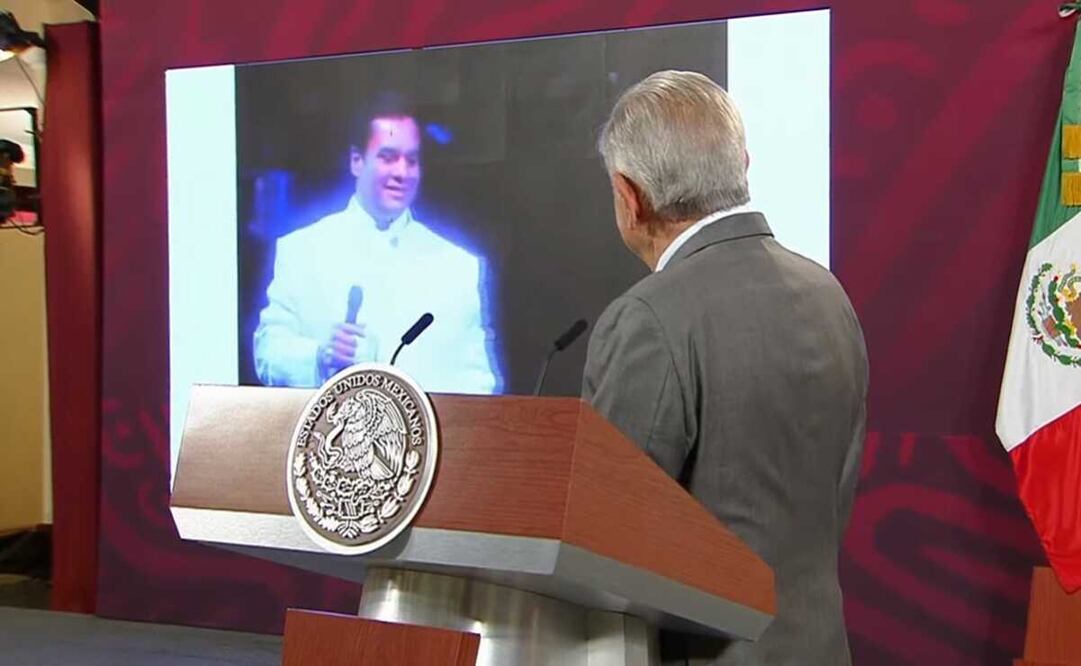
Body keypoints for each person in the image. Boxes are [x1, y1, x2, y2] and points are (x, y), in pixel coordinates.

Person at [582, 71, 868, 665]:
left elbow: (603, 541)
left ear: (629, 196)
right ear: (742, 161)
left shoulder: (647, 318)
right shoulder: (826, 292)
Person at [253, 93, 499, 393]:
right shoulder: (302, 251)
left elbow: (478, 381)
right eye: (387, 157)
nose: (402, 172)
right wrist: (319, 357)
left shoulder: (457, 266)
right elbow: (269, 352)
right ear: (357, 160)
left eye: (412, 160)